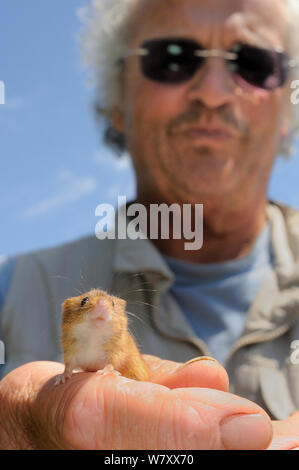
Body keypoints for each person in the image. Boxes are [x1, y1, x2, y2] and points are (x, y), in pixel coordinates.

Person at [0, 0, 299, 450]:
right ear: (118, 100)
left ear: (288, 109)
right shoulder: (11, 290)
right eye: (173, 58)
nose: (214, 93)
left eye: (254, 65)